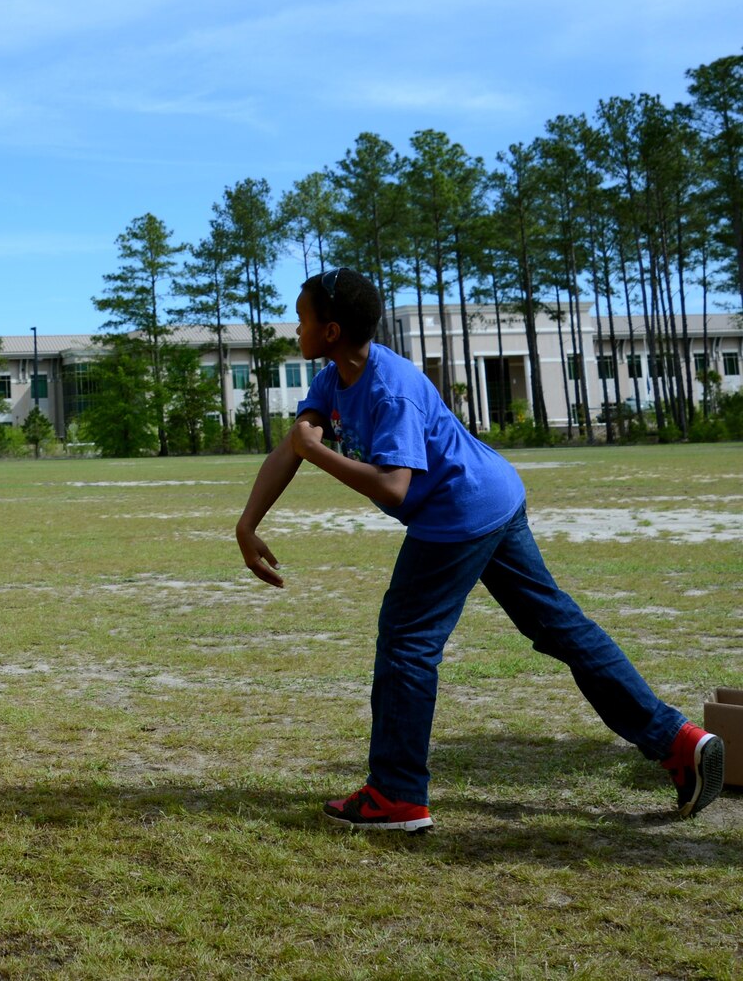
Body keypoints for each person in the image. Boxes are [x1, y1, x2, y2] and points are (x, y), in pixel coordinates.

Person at [233, 266, 724, 831]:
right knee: (557, 625)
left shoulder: (390, 389)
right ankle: (679, 740)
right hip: (490, 495)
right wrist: (248, 523)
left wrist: (316, 453)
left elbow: (393, 485)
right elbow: (293, 446)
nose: (295, 328)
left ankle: (395, 796)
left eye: (301, 318)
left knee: (407, 641)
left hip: (459, 512)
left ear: (332, 330)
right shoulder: (335, 377)